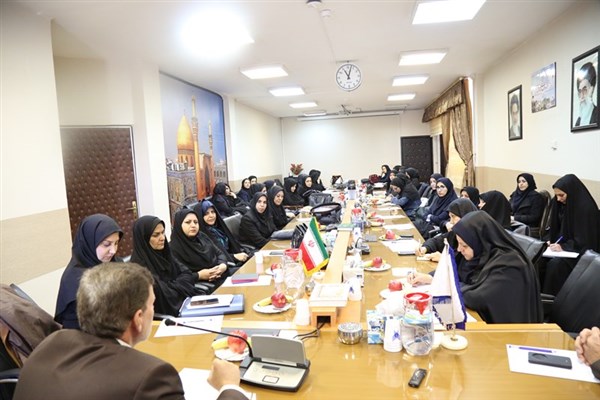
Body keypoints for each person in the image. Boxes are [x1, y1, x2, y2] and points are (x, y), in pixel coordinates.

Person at [14, 263, 248, 400]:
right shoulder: (152, 377)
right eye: (152, 304)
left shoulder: (50, 343)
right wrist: (229, 386)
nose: (153, 310)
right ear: (138, 319)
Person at [410, 211, 542, 323]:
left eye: (464, 245)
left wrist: (440, 282)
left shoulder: (510, 264)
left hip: (506, 331)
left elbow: (478, 297)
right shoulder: (478, 252)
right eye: (459, 244)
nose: (459, 249)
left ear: (480, 241)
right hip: (479, 317)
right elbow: (453, 268)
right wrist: (430, 277)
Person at [55, 214, 122, 329]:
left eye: (116, 243)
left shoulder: (115, 264)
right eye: (107, 244)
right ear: (89, 242)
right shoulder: (74, 280)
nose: (113, 251)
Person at [131, 215, 201, 316]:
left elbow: (187, 273)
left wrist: (169, 286)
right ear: (144, 239)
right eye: (156, 235)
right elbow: (163, 295)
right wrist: (179, 285)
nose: (162, 238)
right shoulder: (139, 269)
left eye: (163, 232)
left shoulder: (166, 254)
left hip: (185, 304)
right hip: (167, 315)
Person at [541, 174, 599, 295]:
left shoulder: (586, 209)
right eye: (556, 195)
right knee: (539, 259)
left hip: (580, 252)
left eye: (561, 195)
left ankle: (551, 300)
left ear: (571, 192)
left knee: (555, 266)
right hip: (562, 248)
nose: (558, 199)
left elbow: (586, 241)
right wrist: (550, 240)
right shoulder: (561, 204)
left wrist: (563, 246)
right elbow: (554, 228)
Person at [170, 208, 230, 289]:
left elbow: (219, 253)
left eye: (196, 222)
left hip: (221, 274)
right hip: (203, 286)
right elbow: (178, 277)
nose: (193, 225)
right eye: (188, 222)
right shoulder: (173, 248)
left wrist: (222, 265)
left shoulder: (202, 236)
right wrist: (199, 275)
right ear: (178, 225)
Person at [415, 198, 478, 265]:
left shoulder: (475, 237)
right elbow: (436, 241)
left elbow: (467, 265)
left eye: (453, 216)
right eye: (450, 217)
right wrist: (425, 248)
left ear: (464, 215)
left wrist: (444, 259)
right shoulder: (456, 232)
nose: (451, 222)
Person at [193, 200, 251, 266]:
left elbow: (233, 246)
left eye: (213, 212)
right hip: (225, 265)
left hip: (236, 260)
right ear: (200, 216)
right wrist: (234, 257)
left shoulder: (219, 228)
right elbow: (214, 259)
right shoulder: (201, 237)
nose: (211, 216)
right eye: (206, 213)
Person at [575, 62, 598, 127]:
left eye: (584, 90)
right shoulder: (578, 122)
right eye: (580, 91)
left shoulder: (597, 115)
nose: (582, 96)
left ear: (591, 89)